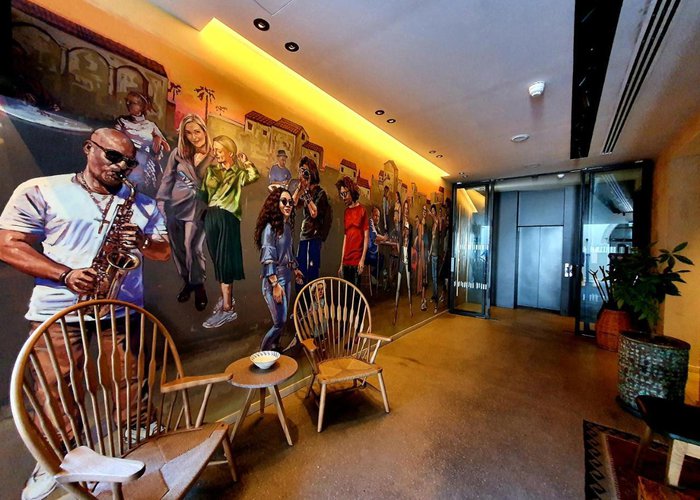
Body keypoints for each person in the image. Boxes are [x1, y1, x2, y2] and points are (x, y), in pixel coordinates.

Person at [0, 128, 170, 500]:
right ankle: (58, 459)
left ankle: (139, 434)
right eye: (113, 157)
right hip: (59, 309)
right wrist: (65, 274)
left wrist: (142, 240)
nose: (122, 166)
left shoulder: (141, 203)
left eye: (129, 162)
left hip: (120, 306)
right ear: (89, 149)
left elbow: (163, 252)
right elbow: (8, 244)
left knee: (129, 377)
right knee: (56, 388)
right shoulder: (42, 190)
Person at [199, 135, 260, 328]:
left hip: (228, 217)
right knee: (217, 260)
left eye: (219, 150)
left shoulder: (239, 173)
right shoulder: (212, 171)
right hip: (211, 215)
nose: (216, 153)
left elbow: (254, 176)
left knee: (225, 261)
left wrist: (246, 162)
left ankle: (227, 309)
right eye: (214, 150)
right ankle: (227, 298)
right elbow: (203, 194)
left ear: (230, 153)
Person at [157, 113, 213, 311]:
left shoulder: (215, 154)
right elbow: (168, 178)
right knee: (178, 248)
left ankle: (199, 286)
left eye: (197, 131)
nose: (194, 137)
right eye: (188, 133)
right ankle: (187, 281)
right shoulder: (178, 153)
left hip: (199, 207)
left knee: (192, 247)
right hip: (175, 205)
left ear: (204, 131)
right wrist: (161, 201)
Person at [254, 188, 303, 351]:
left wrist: (295, 269)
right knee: (279, 322)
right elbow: (268, 257)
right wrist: (275, 284)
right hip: (274, 279)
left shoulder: (286, 227)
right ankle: (263, 353)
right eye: (284, 201)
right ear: (276, 203)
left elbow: (288, 252)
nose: (288, 205)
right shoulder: (270, 228)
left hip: (287, 277)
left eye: (290, 202)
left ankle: (274, 348)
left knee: (282, 319)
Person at [114, 90, 170, 198]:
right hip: (129, 160)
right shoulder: (122, 121)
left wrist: (158, 139)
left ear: (141, 106)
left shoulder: (150, 125)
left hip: (147, 162)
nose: (128, 104)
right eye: (127, 101)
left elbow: (167, 147)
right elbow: (115, 138)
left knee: (144, 195)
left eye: (132, 103)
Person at [292, 156, 331, 288]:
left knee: (311, 273)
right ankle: (301, 299)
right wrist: (299, 188)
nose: (303, 174)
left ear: (312, 172)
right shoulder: (304, 190)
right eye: (301, 171)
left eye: (306, 171)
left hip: (314, 237)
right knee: (300, 272)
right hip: (304, 236)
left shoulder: (320, 193)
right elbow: (293, 204)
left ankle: (311, 300)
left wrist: (306, 192)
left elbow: (314, 213)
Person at [335, 176, 368, 287]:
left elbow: (366, 237)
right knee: (346, 293)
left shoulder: (362, 210)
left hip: (357, 260)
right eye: (341, 194)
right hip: (346, 260)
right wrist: (341, 263)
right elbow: (345, 238)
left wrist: (362, 259)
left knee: (355, 293)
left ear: (351, 191)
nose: (343, 197)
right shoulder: (346, 212)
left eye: (345, 193)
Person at [394, 199, 413, 324]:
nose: (406, 210)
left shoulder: (410, 225)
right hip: (402, 255)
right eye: (404, 208)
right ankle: (395, 314)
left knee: (409, 286)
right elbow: (398, 240)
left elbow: (410, 243)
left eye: (407, 208)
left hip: (408, 256)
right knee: (398, 287)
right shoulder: (400, 224)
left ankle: (411, 310)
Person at [367, 206, 387, 280]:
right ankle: (374, 276)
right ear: (371, 215)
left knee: (382, 257)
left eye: (378, 216)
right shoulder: (370, 222)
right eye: (375, 215)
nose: (377, 218)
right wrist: (384, 238)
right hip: (366, 254)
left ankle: (375, 277)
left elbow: (378, 237)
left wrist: (382, 238)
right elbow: (375, 236)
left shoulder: (376, 227)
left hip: (370, 253)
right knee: (381, 259)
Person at [428, 204, 442, 313]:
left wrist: (431, 215)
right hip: (432, 253)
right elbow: (432, 241)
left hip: (436, 254)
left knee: (435, 278)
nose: (432, 213)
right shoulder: (433, 225)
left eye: (433, 211)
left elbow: (436, 220)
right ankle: (434, 295)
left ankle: (437, 302)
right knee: (433, 277)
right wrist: (429, 253)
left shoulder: (437, 222)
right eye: (431, 211)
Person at [415, 204, 428, 311]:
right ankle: (422, 299)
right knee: (420, 277)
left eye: (425, 211)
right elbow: (416, 243)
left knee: (424, 277)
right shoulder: (419, 227)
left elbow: (427, 242)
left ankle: (423, 300)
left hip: (425, 255)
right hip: (420, 255)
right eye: (423, 211)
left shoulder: (426, 227)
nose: (424, 213)